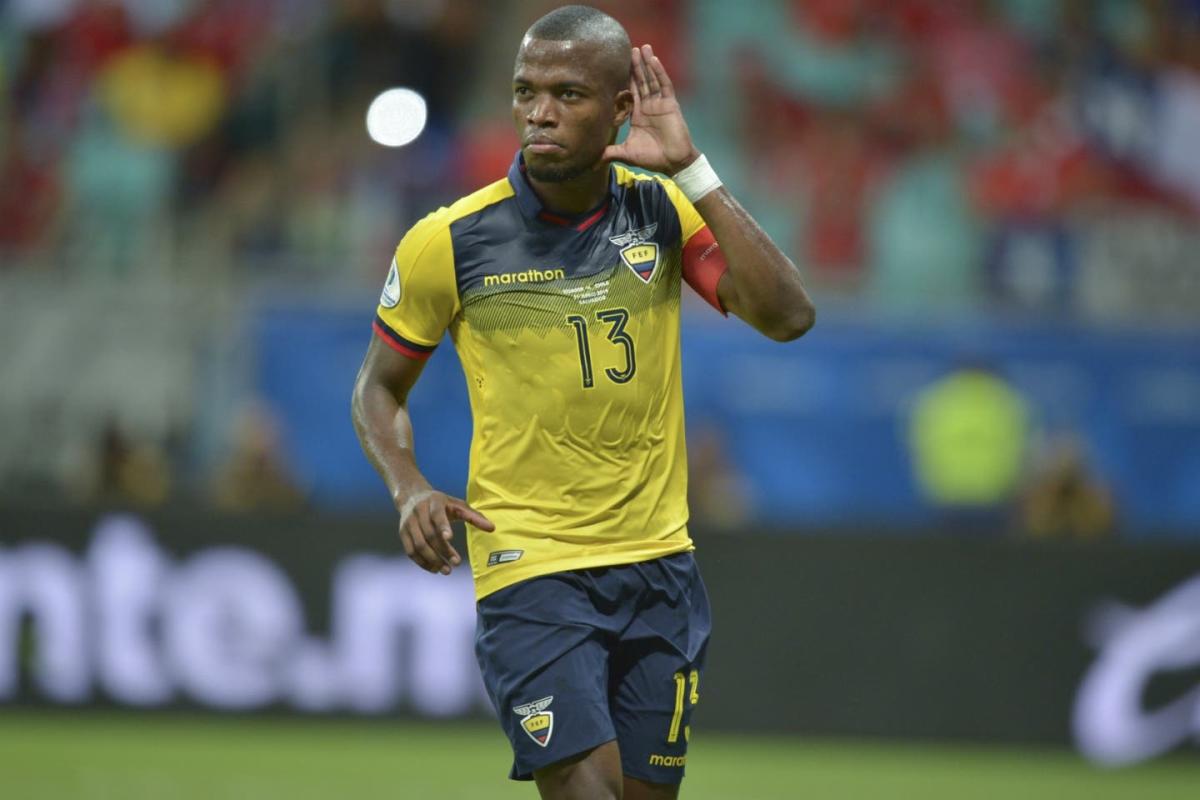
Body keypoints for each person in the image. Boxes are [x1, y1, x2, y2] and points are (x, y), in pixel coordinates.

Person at [351, 6, 814, 799]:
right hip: (530, 565)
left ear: (621, 109)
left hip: (659, 564)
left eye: (567, 94)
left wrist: (693, 170)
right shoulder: (449, 241)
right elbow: (376, 388)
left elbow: (787, 315)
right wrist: (408, 487)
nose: (540, 112)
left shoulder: (661, 211)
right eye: (525, 91)